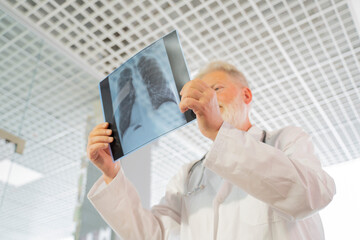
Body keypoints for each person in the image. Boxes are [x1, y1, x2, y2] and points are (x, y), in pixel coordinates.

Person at [87, 61, 336, 239]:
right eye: (201, 93)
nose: (208, 99)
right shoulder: (189, 175)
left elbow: (312, 195)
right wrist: (111, 174)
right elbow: (155, 235)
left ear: (246, 95)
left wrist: (219, 130)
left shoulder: (285, 140)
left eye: (216, 90)